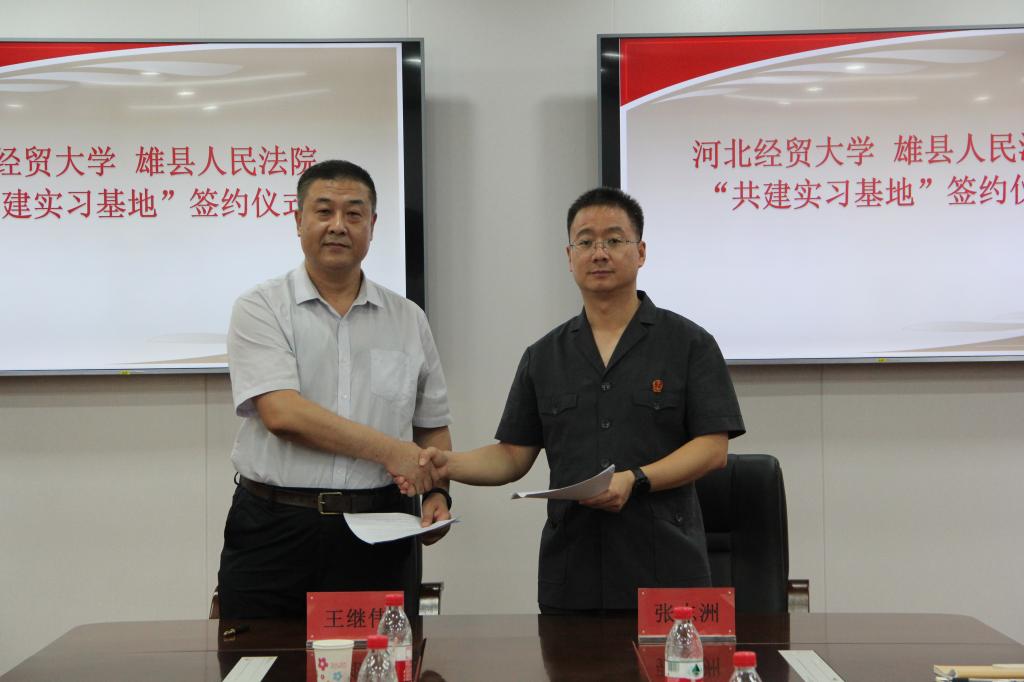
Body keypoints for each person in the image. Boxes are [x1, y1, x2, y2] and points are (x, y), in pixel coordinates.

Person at [408, 187, 745, 613]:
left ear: (641, 252)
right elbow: (512, 456)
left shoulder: (689, 343)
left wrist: (635, 479)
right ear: (570, 258)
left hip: (667, 569)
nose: (599, 253)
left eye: (614, 240)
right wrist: (446, 464)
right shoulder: (544, 356)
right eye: (585, 242)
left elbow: (713, 448)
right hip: (573, 572)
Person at [218, 159, 453, 618]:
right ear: (298, 220)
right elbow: (283, 414)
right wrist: (391, 451)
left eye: (354, 213)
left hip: (381, 532)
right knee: (263, 655)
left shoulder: (408, 318)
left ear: (373, 225)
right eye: (324, 211)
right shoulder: (261, 306)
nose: (338, 226)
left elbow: (431, 426)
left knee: (378, 655)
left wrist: (438, 494)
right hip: (275, 529)